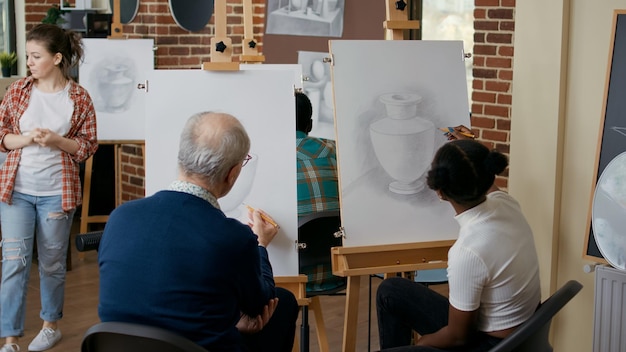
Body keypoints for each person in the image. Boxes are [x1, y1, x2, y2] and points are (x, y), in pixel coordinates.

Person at [97, 112, 299, 352]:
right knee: (283, 302)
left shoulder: (120, 216)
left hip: (121, 347)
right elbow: (260, 303)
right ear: (232, 174)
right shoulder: (232, 237)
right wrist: (261, 246)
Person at [376, 133, 541, 351]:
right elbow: (485, 180)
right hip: (523, 334)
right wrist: (466, 149)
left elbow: (458, 338)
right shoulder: (507, 204)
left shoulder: (468, 251)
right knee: (390, 291)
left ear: (440, 192)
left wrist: (423, 344)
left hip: (491, 345)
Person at [0, 24, 98, 352]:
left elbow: (87, 146)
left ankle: (50, 324)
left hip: (58, 192)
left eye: (35, 56)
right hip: (17, 191)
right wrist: (27, 138)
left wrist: (57, 141)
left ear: (57, 58)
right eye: (28, 55)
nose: (29, 61)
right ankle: (10, 338)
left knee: (53, 263)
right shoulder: (18, 92)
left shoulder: (79, 98)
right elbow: (2, 138)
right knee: (14, 262)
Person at [295, 91, 344, 292]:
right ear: (310, 124)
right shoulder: (337, 150)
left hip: (293, 274)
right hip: (342, 269)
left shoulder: (271, 159)